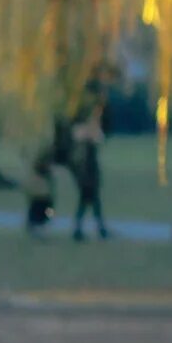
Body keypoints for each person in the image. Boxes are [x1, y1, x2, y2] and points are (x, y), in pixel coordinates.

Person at [68, 103, 110, 241]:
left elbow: (99, 138)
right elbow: (95, 137)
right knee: (88, 200)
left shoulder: (88, 132)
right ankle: (94, 229)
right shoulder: (83, 132)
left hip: (89, 172)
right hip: (86, 172)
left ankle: (90, 229)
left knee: (89, 201)